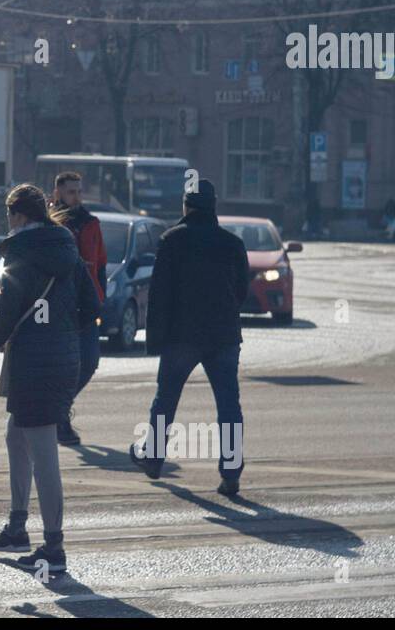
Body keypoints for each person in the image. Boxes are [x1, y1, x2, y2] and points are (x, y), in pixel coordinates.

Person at [0, 184, 95, 576]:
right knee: (16, 436)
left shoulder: (21, 256)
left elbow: (2, 326)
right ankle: (18, 526)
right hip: (64, 359)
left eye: (8, 214)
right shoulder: (68, 249)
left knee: (44, 455)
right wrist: (61, 335)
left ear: (16, 216)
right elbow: (92, 308)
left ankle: (54, 547)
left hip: (35, 365)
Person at [130, 179, 249, 497]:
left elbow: (159, 294)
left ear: (186, 206)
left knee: (165, 400)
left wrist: (154, 339)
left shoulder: (172, 240)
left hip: (181, 336)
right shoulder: (232, 243)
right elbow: (241, 292)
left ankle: (153, 459)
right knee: (228, 406)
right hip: (223, 335)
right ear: (213, 206)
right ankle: (231, 473)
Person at [49, 170, 108, 446]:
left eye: (79, 191)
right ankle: (58, 417)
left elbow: (102, 264)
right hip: (62, 306)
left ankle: (60, 409)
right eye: (71, 191)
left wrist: (100, 298)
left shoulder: (91, 223)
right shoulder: (50, 224)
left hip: (87, 305)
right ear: (57, 193)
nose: (76, 196)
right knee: (63, 366)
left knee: (90, 361)